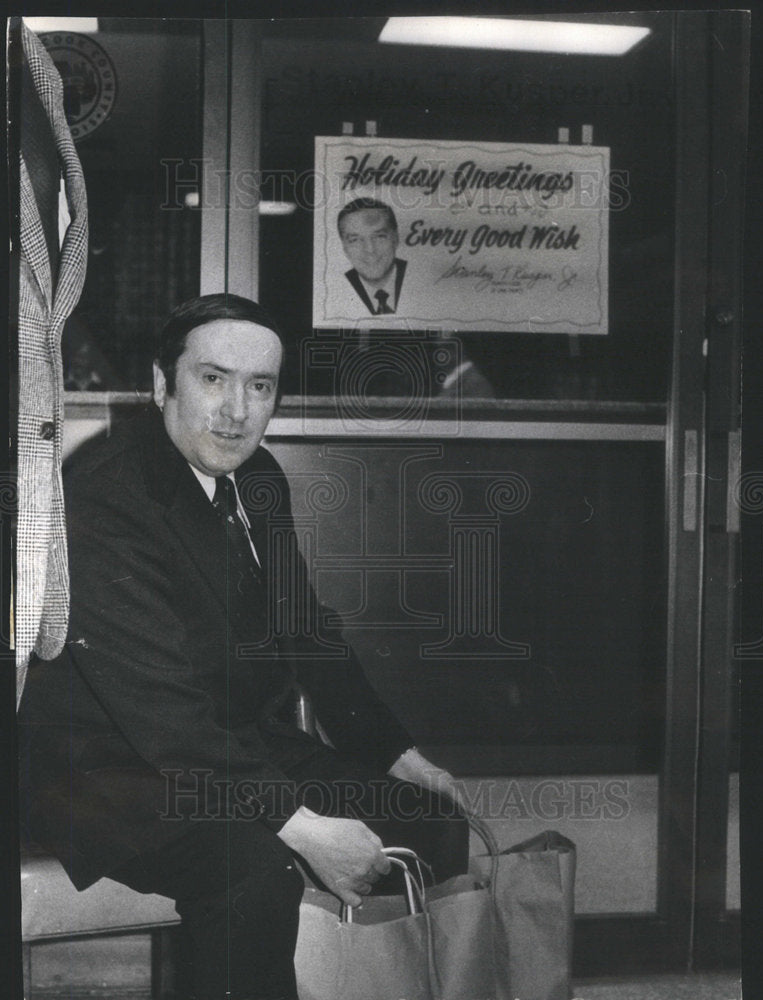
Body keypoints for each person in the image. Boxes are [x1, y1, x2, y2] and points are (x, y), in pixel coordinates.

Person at [17, 293, 468, 1000]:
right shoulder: (106, 498)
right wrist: (306, 828)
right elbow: (164, 715)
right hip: (115, 769)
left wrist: (398, 754)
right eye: (213, 379)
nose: (236, 410)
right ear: (164, 385)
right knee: (256, 870)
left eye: (259, 387)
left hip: (233, 745)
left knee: (430, 820)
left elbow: (307, 631)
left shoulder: (256, 478)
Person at [338, 198, 407, 315]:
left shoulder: (425, 279)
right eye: (355, 240)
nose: (370, 250)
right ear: (345, 248)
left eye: (379, 236)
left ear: (395, 238)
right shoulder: (334, 292)